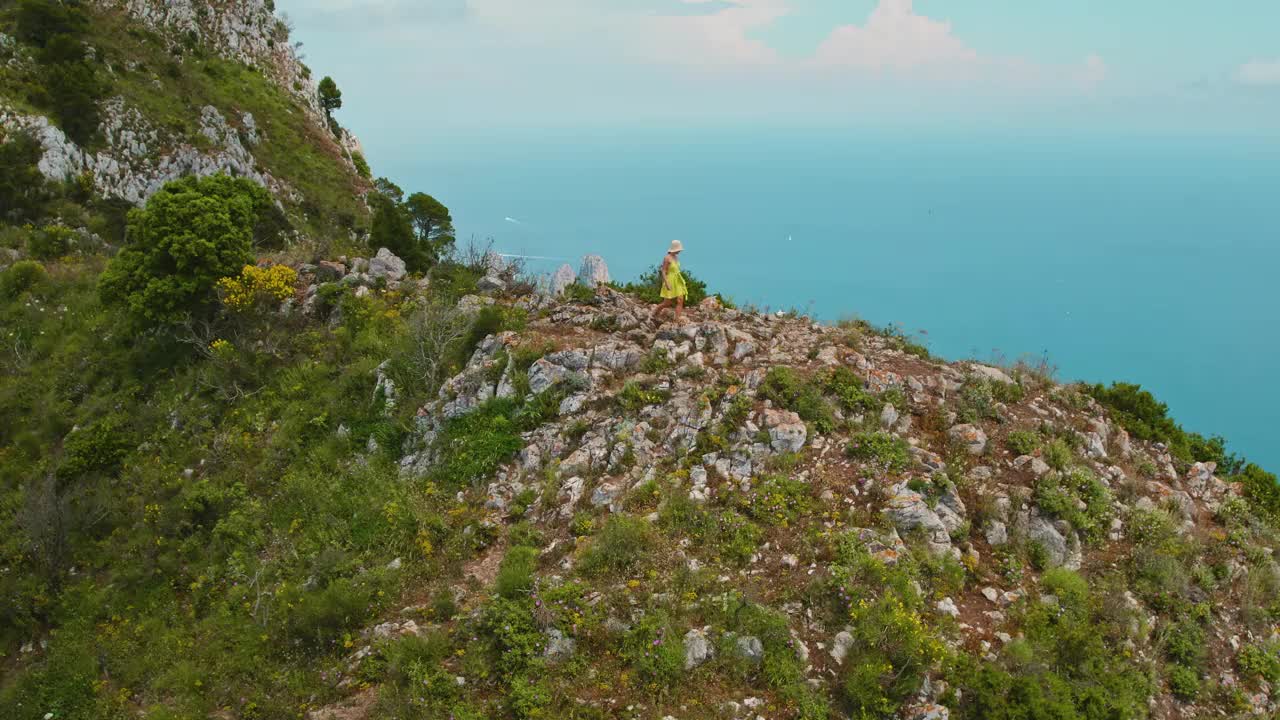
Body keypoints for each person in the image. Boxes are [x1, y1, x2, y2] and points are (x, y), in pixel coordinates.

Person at [652, 239, 688, 322]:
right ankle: (655, 311)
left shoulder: (676, 257)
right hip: (670, 280)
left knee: (680, 300)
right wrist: (666, 283)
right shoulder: (667, 258)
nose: (679, 251)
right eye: (678, 249)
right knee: (667, 303)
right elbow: (663, 271)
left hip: (677, 280)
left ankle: (677, 320)